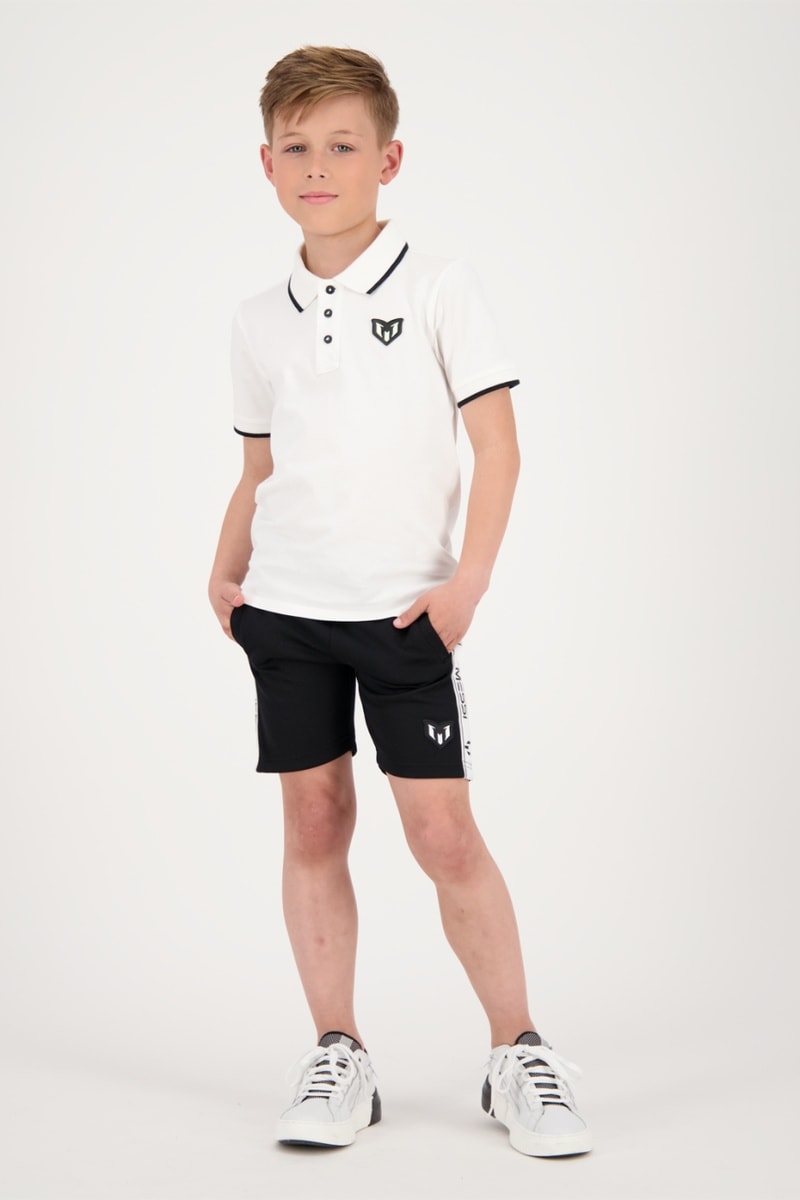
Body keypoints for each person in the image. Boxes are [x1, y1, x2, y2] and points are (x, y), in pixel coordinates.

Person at [208, 45, 591, 1159]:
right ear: (266, 164)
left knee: (442, 833)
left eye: (342, 146)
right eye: (295, 148)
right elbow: (258, 467)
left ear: (388, 158)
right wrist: (223, 572)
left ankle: (518, 1051)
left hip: (403, 617)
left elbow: (497, 446)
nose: (317, 167)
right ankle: (338, 1051)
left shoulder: (437, 286)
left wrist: (468, 582)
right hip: (286, 613)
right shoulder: (257, 317)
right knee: (313, 821)